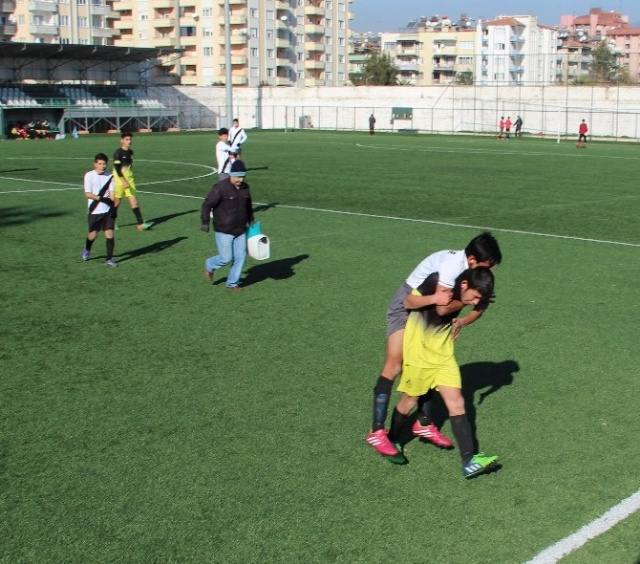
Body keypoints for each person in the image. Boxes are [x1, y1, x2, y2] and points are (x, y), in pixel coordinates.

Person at [366, 232, 502, 458]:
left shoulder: (470, 273)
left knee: (430, 356)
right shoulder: (451, 268)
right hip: (407, 303)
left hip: (424, 309)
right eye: (488, 266)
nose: (491, 272)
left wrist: (467, 315)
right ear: (471, 260)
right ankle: (376, 430)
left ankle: (423, 423)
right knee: (394, 364)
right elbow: (441, 306)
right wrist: (468, 303)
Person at [387, 267, 500, 478]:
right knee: (409, 401)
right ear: (464, 285)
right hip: (419, 353)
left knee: (456, 402)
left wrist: (463, 321)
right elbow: (434, 308)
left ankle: (468, 460)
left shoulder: (472, 293)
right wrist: (462, 303)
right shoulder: (441, 282)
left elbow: (480, 307)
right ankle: (392, 439)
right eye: (474, 297)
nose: (474, 302)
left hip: (443, 352)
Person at [201, 159, 255, 291]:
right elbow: (207, 204)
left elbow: (248, 205)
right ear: (231, 175)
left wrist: (251, 219)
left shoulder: (245, 188)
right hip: (224, 229)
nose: (240, 180)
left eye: (242, 176)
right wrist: (205, 221)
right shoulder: (220, 188)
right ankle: (210, 264)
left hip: (240, 229)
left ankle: (232, 283)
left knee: (240, 258)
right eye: (238, 176)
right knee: (226, 258)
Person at [82, 153, 117, 267]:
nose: (102, 166)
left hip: (107, 211)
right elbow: (88, 194)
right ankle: (87, 248)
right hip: (95, 211)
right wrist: (102, 198)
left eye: (104, 164)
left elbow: (112, 194)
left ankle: (109, 258)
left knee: (109, 234)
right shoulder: (89, 176)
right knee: (93, 234)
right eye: (100, 164)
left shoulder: (110, 176)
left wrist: (113, 205)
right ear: (95, 164)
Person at [113, 132, 152, 231]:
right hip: (119, 182)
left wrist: (128, 180)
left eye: (130, 139)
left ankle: (140, 224)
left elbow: (128, 168)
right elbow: (117, 169)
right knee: (116, 203)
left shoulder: (131, 153)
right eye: (127, 139)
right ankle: (111, 221)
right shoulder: (118, 153)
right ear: (121, 140)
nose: (129, 141)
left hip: (130, 181)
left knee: (134, 202)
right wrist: (123, 181)